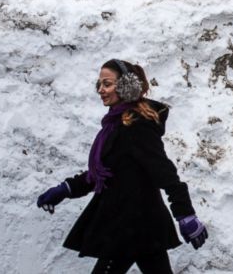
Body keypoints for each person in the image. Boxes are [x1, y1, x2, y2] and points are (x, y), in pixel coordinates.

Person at [36, 59, 208, 274]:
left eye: (107, 84)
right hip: (136, 226)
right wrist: (66, 189)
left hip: (129, 226)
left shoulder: (136, 126)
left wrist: (185, 214)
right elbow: (106, 170)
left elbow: (164, 171)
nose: (101, 90)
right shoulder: (115, 124)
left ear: (126, 86)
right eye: (98, 84)